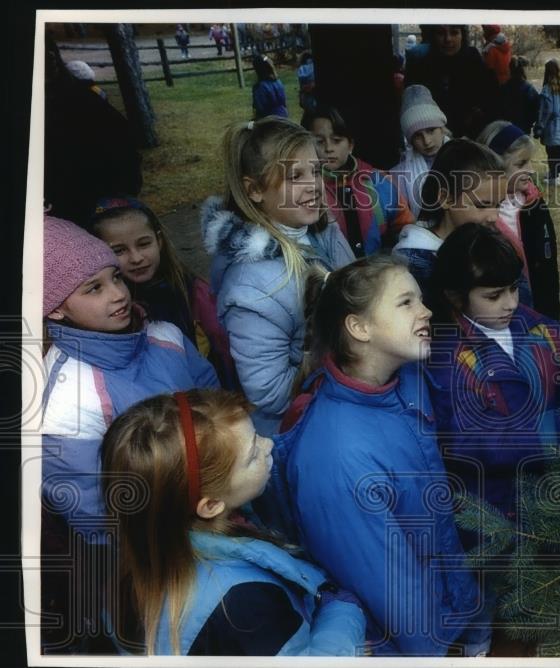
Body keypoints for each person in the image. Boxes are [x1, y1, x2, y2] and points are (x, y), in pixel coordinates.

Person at [270, 255, 492, 656]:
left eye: (419, 299)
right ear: (359, 327)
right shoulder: (339, 459)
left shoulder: (402, 377)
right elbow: (395, 592)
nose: (425, 310)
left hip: (448, 602)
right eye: (405, 302)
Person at [40, 216, 219, 651]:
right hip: (160, 561)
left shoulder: (167, 338)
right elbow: (99, 514)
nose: (119, 294)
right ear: (55, 307)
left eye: (115, 278)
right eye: (94, 289)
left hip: (219, 514)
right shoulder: (67, 401)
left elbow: (214, 407)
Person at [100, 390, 366, 656]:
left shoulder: (141, 547)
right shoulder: (242, 607)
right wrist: (342, 613)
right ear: (211, 505)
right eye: (252, 455)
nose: (269, 444)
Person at [201, 117, 354, 435]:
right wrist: (339, 358)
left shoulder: (319, 230)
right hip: (301, 428)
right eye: (295, 176)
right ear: (255, 190)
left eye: (315, 170)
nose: (313, 185)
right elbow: (268, 391)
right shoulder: (251, 289)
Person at [425, 224, 560, 531]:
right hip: (494, 514)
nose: (510, 303)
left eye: (513, 288)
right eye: (494, 295)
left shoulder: (534, 325)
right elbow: (472, 436)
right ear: (455, 297)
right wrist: (559, 430)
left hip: (555, 492)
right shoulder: (445, 357)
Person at [89, 196, 238, 389]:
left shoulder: (194, 291)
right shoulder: (105, 306)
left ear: (158, 241)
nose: (136, 258)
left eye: (143, 244)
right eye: (119, 250)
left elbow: (223, 348)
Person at [43, 32, 142, 225]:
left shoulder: (85, 100)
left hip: (97, 207)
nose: (50, 56)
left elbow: (124, 149)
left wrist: (119, 198)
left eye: (49, 49)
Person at [392, 138, 505, 295]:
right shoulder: (414, 262)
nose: (494, 216)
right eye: (482, 205)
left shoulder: (493, 239)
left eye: (499, 204)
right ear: (446, 198)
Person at [302, 107, 413, 257]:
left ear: (350, 145)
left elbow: (406, 228)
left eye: (336, 140)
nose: (328, 148)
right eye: (319, 141)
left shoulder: (379, 181)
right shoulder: (303, 189)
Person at [478, 120, 560, 318]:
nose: (531, 170)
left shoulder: (534, 202)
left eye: (530, 161)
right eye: (521, 163)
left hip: (541, 307)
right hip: (504, 314)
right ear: (495, 165)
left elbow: (549, 261)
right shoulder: (481, 215)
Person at [404, 25, 499, 140]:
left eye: (454, 33)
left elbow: (490, 106)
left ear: (462, 35)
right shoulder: (420, 66)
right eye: (440, 33)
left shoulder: (475, 64)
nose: (448, 39)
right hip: (431, 141)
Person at [390, 85, 451, 218]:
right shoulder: (398, 176)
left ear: (442, 128)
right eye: (418, 135)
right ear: (410, 140)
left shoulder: (466, 157)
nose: (427, 141)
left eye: (431, 130)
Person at [498, 55, 539, 136]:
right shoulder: (529, 89)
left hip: (506, 127)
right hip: (523, 129)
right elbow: (536, 109)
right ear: (524, 69)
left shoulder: (503, 87)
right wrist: (530, 122)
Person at [251, 54, 288, 119]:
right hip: (283, 115)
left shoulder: (260, 87)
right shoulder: (278, 82)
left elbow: (260, 109)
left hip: (269, 119)